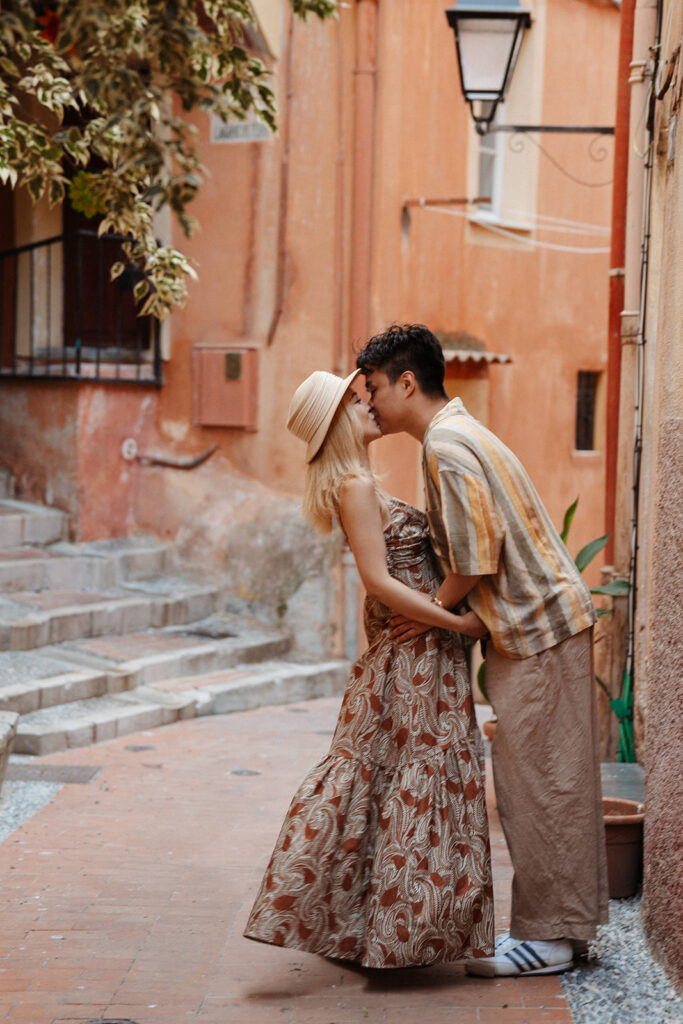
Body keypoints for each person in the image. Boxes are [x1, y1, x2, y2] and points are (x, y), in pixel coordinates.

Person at [355, 323, 609, 978]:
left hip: (535, 633)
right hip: (542, 628)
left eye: (375, 388)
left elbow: (474, 553)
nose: (370, 404)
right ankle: (562, 930)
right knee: (553, 782)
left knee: (537, 789)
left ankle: (546, 940)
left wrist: (437, 612)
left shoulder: (444, 445)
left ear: (405, 381)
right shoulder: (458, 432)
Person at [244, 368, 494, 969]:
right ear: (337, 425)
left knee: (396, 786)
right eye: (358, 404)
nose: (371, 408)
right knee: (402, 782)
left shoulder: (363, 481)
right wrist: (457, 624)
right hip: (412, 655)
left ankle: (382, 931)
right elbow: (378, 581)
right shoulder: (354, 483)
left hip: (421, 651)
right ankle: (386, 931)